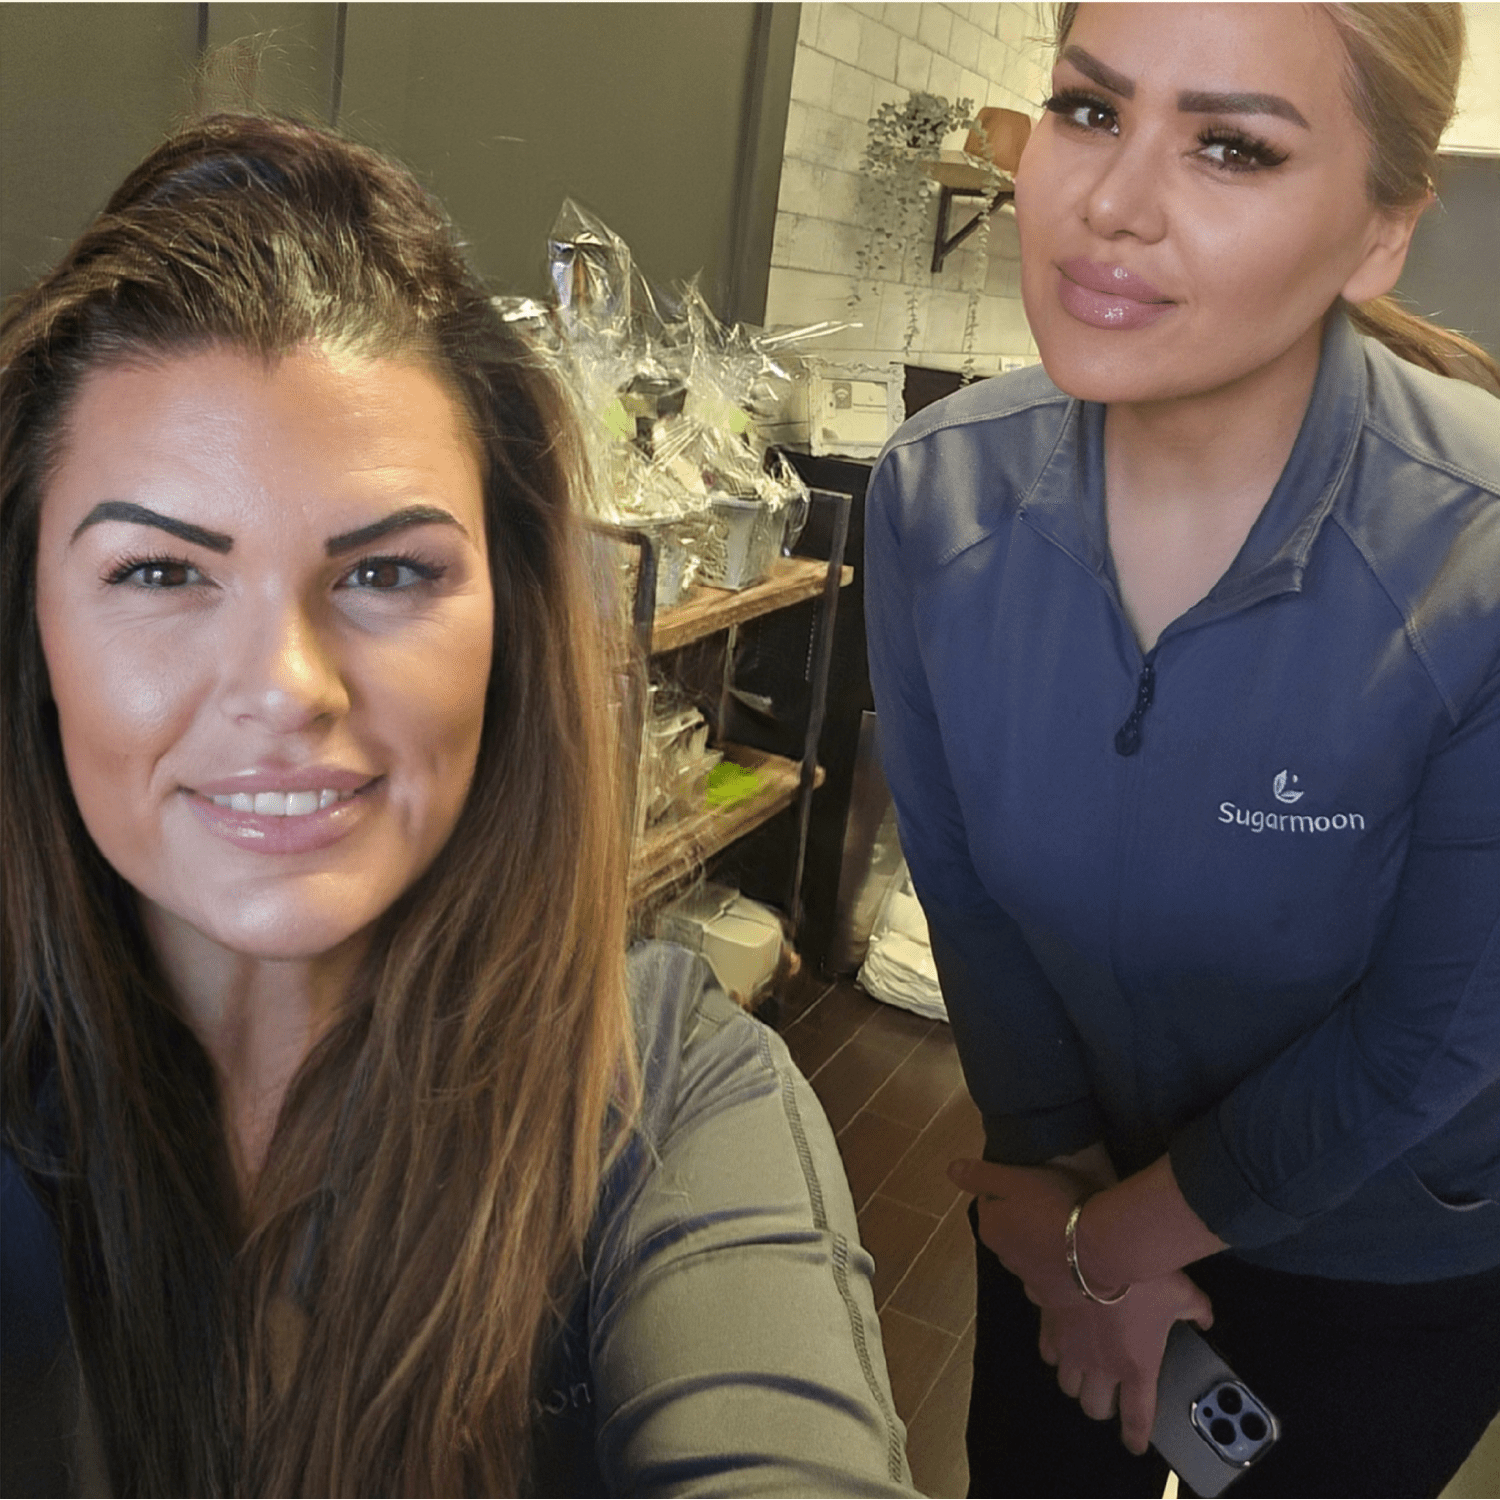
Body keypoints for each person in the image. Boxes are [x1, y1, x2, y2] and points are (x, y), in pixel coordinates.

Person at [0, 113, 914, 1498]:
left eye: (389, 575)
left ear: (512, 621)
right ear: (34, 635)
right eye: (158, 574)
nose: (287, 686)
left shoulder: (667, 1106)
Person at [864, 4, 1500, 1496]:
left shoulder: (1472, 564)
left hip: (1379, 1252)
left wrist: (1118, 1246)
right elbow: (962, 889)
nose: (1111, 203)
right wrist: (1052, 1198)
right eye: (1090, 111)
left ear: (1380, 233)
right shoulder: (935, 499)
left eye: (1230, 146)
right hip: (1052, 1186)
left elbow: (1436, 1031)